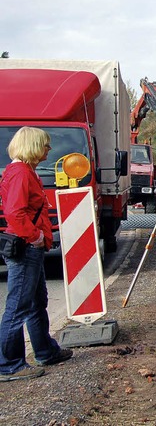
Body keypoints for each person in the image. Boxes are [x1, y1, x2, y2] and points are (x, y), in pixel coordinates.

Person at [0, 127, 73, 382]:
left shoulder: (20, 171)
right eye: (45, 145)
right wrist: (37, 237)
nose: (48, 150)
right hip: (27, 246)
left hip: (29, 246)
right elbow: (15, 213)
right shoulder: (21, 173)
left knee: (34, 302)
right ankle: (8, 364)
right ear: (32, 146)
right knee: (19, 306)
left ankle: (44, 351)